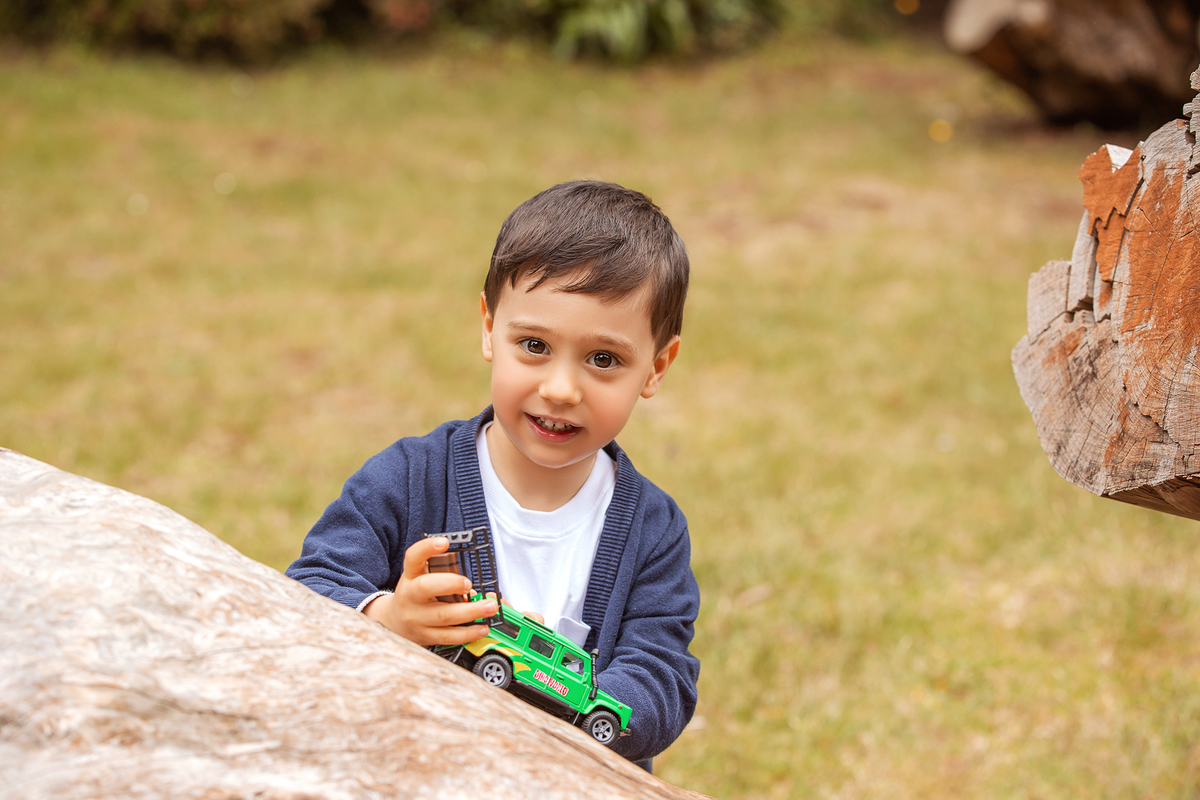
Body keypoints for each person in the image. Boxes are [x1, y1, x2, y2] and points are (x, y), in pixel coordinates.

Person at [286, 180, 699, 767]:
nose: (559, 388)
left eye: (603, 359)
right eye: (533, 344)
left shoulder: (652, 528)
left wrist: (579, 709)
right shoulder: (407, 478)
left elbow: (663, 677)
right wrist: (389, 619)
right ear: (488, 329)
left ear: (656, 367)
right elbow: (305, 592)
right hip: (412, 769)